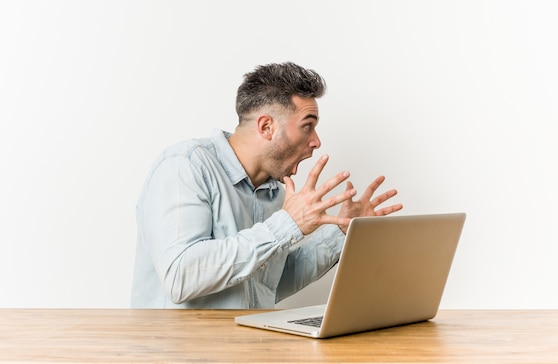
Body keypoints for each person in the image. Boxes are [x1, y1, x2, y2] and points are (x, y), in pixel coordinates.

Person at [131, 62, 403, 308]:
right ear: (266, 127)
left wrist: (341, 233)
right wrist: (287, 225)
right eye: (307, 126)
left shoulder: (274, 194)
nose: (316, 141)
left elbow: (266, 287)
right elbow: (180, 277)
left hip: (247, 349)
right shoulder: (185, 167)